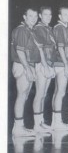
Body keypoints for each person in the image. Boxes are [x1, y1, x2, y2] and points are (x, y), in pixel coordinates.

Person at [11, 8, 39, 136]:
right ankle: (17, 128)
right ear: (24, 16)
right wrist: (27, 69)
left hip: (27, 65)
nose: (33, 18)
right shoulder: (22, 30)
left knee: (24, 95)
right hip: (23, 65)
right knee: (22, 95)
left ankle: (20, 126)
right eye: (30, 16)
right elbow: (20, 52)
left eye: (35, 16)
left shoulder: (29, 30)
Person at [33, 7, 56, 132]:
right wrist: (45, 66)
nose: (48, 17)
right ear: (40, 16)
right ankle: (37, 124)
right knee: (39, 93)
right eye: (45, 14)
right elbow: (40, 49)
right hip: (43, 64)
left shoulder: (48, 29)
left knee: (44, 94)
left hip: (49, 64)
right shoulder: (39, 28)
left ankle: (40, 121)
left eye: (50, 14)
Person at [51, 7, 68, 130]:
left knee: (57, 91)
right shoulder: (60, 28)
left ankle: (56, 121)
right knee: (61, 92)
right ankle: (57, 122)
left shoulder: (63, 28)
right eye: (65, 14)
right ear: (59, 16)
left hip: (59, 63)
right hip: (60, 63)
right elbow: (60, 48)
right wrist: (66, 65)